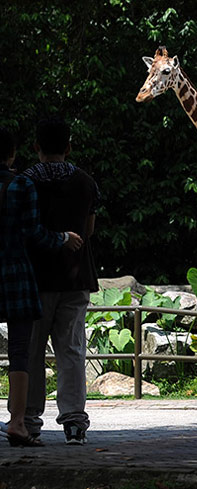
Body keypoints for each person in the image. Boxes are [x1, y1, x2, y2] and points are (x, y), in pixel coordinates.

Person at [0, 127, 82, 446]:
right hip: (17, 274)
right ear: (12, 155)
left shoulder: (28, 178)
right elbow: (33, 233)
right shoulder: (21, 184)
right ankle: (18, 423)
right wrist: (62, 238)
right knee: (21, 351)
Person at [22, 117, 100, 445]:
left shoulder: (23, 182)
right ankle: (74, 422)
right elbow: (90, 230)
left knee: (31, 352)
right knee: (71, 350)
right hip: (76, 276)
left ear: (36, 146)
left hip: (34, 280)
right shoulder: (85, 182)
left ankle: (28, 420)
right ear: (69, 146)